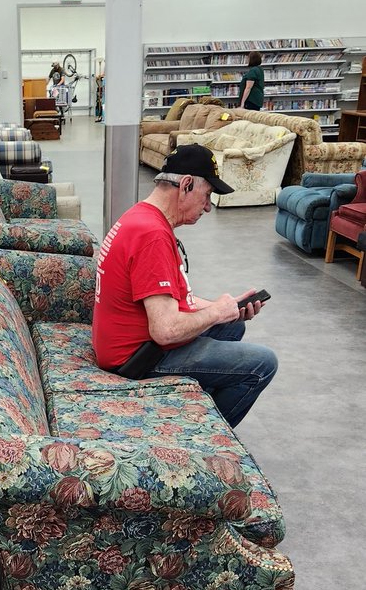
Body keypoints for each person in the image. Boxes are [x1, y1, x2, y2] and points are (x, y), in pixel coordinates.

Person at [92, 144, 278, 428]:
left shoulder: (141, 217)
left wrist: (224, 308)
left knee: (233, 325)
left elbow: (167, 299)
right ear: (187, 185)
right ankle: (202, 438)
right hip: (138, 357)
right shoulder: (152, 235)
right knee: (263, 364)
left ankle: (192, 406)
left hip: (130, 343)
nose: (207, 206)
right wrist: (215, 313)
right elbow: (165, 331)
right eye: (207, 196)